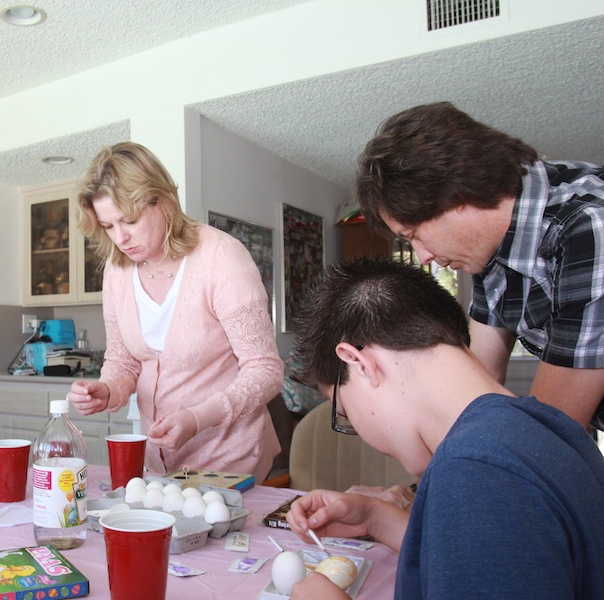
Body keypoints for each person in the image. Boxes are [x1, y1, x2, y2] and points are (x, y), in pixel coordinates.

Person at [284, 257, 604, 599]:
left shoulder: (475, 471)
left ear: (359, 362)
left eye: (344, 409)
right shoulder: (545, 426)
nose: (359, 429)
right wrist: (376, 519)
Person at [356, 101, 604, 429]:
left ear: (456, 196)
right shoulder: (489, 252)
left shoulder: (589, 225)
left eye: (415, 234)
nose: (423, 256)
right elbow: (474, 383)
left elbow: (556, 427)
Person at [67, 142, 283, 482]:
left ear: (164, 202)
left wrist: (197, 418)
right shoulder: (117, 271)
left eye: (130, 220)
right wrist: (108, 389)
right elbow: (124, 360)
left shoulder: (220, 257)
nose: (120, 237)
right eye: (108, 226)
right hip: (158, 459)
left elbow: (266, 370)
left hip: (229, 457)